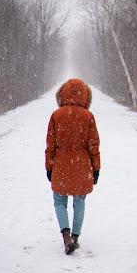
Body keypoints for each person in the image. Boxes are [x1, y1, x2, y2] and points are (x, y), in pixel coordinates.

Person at [45, 78, 101, 254]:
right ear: (85, 96)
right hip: (82, 167)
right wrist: (96, 168)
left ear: (62, 94)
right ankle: (76, 237)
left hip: (61, 165)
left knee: (59, 202)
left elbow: (50, 146)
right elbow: (94, 145)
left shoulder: (56, 115)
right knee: (80, 201)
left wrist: (49, 167)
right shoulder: (88, 116)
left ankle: (66, 236)